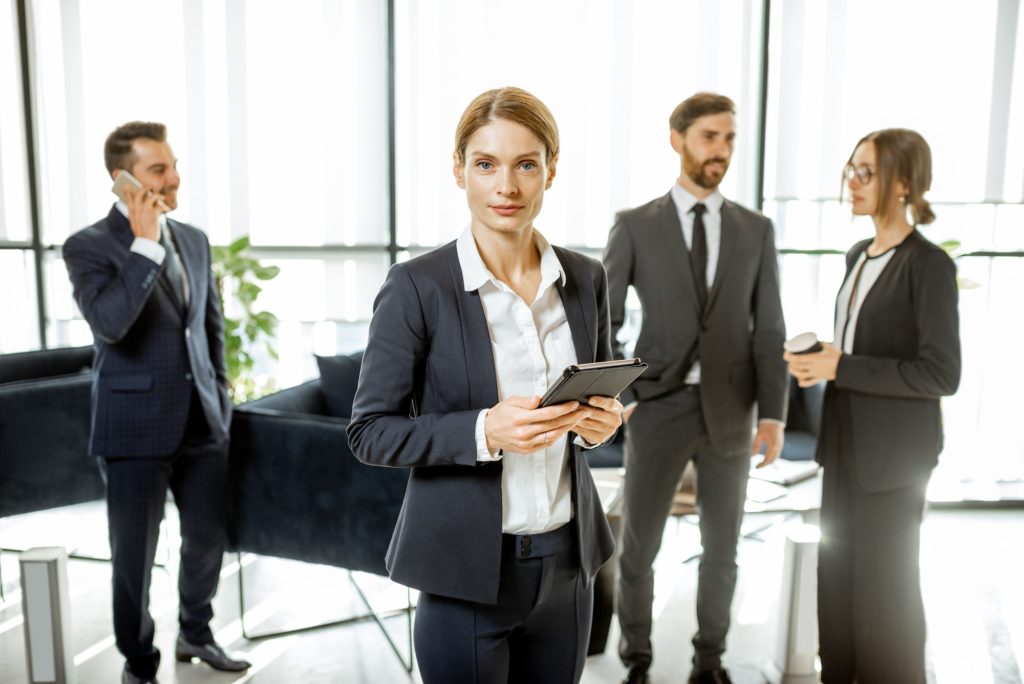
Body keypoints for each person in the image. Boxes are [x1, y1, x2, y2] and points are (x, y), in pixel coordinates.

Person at [347, 87, 621, 684]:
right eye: (486, 164)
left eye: (527, 164)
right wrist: (482, 430)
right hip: (465, 574)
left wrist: (600, 426)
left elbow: (593, 396)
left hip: (569, 568)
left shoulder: (585, 278)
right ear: (458, 170)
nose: (508, 187)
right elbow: (370, 432)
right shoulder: (418, 287)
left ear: (551, 169)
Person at [604, 92, 788, 684]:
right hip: (656, 408)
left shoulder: (756, 231)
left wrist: (774, 415)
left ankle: (710, 663)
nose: (722, 150)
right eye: (711, 136)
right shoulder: (634, 225)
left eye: (730, 138)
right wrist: (620, 397)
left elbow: (771, 329)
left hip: (732, 413)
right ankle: (637, 662)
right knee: (638, 550)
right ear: (677, 139)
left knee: (723, 552)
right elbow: (601, 320)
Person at [63, 122, 250, 684]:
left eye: (173, 166)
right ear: (122, 181)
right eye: (157, 170)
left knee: (206, 541)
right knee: (134, 560)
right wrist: (144, 246)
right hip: (134, 428)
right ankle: (139, 664)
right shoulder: (88, 246)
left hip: (203, 423)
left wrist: (219, 390)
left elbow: (208, 326)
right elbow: (111, 325)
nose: (174, 179)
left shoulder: (193, 238)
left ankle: (196, 633)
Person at [784, 128, 960, 683]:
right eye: (851, 169)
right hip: (844, 449)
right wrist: (820, 364)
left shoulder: (927, 266)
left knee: (888, 595)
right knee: (836, 584)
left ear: (904, 182)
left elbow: (941, 373)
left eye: (868, 171)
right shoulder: (858, 255)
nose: (853, 182)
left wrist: (842, 367)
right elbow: (856, 350)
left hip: (895, 459)